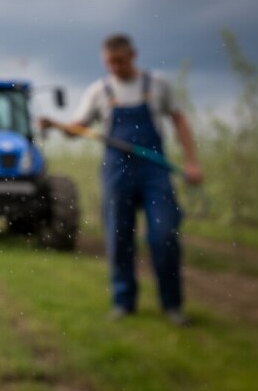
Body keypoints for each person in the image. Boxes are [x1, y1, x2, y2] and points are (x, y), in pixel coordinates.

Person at [40, 34, 202, 326]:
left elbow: (179, 120)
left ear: (133, 55)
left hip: (155, 171)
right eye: (109, 63)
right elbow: (77, 129)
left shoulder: (157, 85)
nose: (114, 67)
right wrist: (55, 124)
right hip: (117, 173)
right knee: (118, 238)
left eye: (120, 61)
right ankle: (123, 302)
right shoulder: (99, 91)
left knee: (164, 235)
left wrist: (192, 162)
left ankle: (172, 305)